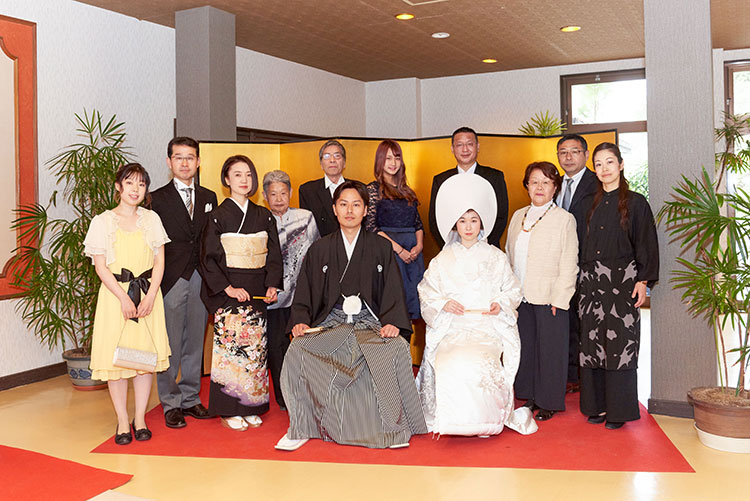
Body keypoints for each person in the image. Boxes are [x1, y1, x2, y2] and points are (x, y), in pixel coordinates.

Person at [275, 180, 427, 450]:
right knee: (298, 349)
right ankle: (303, 425)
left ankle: (389, 427)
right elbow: (306, 292)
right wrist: (300, 319)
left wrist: (392, 322)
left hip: (370, 322)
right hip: (331, 323)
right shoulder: (320, 249)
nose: (349, 211)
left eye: (356, 205)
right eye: (343, 204)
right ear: (334, 209)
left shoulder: (381, 247)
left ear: (365, 210)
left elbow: (393, 289)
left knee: (394, 348)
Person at [416, 174, 537, 437]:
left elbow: (513, 288)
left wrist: (500, 304)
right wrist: (444, 304)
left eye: (473, 220)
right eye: (462, 221)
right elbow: (426, 291)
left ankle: (487, 420)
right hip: (454, 328)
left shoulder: (496, 256)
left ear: (481, 223)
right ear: (455, 225)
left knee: (478, 360)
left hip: (486, 327)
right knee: (451, 359)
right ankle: (451, 420)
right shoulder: (443, 258)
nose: (468, 226)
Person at [84, 163, 171, 445]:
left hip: (147, 296)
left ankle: (141, 418)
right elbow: (100, 267)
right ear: (118, 187)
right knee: (116, 363)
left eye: (141, 184)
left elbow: (159, 262)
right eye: (130, 183)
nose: (135, 189)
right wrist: (123, 297)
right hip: (115, 298)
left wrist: (150, 296)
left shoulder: (152, 219)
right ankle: (122, 420)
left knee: (143, 361)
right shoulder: (102, 221)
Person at [578, 142, 658, 430]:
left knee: (620, 344)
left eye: (609, 162)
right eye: (598, 164)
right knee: (591, 345)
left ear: (621, 165)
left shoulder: (636, 203)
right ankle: (595, 406)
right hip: (590, 284)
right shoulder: (589, 203)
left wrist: (643, 281)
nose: (604, 169)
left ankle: (618, 411)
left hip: (622, 282)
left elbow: (646, 243)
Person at [200, 155, 283, 431]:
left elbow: (273, 253)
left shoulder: (264, 215)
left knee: (255, 353)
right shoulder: (216, 217)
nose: (244, 180)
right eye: (237, 175)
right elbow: (209, 258)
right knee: (231, 352)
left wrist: (272, 284)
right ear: (226, 180)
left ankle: (251, 406)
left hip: (257, 289)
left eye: (248, 175)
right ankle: (228, 410)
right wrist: (228, 288)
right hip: (229, 290)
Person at [151, 137, 218, 429]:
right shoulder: (156, 198)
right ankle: (170, 402)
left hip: (200, 278)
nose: (185, 163)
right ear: (169, 162)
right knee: (170, 344)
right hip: (171, 278)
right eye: (179, 157)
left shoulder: (209, 196)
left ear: (198, 161)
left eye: (190, 157)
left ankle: (191, 398)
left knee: (195, 342)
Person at [506, 162, 578, 422]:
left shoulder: (564, 219)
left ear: (555, 188)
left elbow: (570, 263)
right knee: (527, 348)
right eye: (534, 181)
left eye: (546, 182)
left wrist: (561, 297)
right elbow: (508, 255)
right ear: (526, 185)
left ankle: (549, 400)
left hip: (550, 297)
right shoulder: (518, 216)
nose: (539, 187)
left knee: (550, 350)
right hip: (521, 296)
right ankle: (530, 394)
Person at [261, 169, 320, 410]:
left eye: (283, 193)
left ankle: (308, 391)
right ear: (264, 196)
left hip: (302, 294)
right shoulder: (260, 219)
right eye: (272, 193)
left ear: (291, 193)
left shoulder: (305, 217)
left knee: (306, 343)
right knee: (277, 346)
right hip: (273, 296)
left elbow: (316, 251)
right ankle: (283, 394)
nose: (278, 198)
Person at [556, 134, 598, 392]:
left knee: (587, 321)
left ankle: (587, 376)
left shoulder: (598, 182)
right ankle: (571, 373)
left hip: (590, 264)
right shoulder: (555, 184)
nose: (568, 157)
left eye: (574, 151)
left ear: (585, 154)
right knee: (567, 318)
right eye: (563, 152)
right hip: (561, 265)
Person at [365, 139, 424, 324]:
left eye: (397, 157)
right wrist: (399, 250)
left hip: (413, 256)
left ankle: (407, 351)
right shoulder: (373, 190)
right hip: (388, 254)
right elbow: (371, 227)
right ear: (379, 161)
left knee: (412, 308)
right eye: (388, 158)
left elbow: (418, 224)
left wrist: (419, 246)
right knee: (391, 308)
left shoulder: (408, 191)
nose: (392, 162)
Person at [428, 127, 508, 249]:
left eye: (470, 144)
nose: (465, 149)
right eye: (459, 145)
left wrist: (484, 246)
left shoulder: (494, 177)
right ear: (452, 149)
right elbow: (435, 219)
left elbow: (501, 215)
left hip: (487, 248)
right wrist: (450, 246)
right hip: (452, 250)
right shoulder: (441, 180)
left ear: (478, 147)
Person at [299, 139, 349, 237]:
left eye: (337, 156)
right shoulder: (308, 191)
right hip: (322, 247)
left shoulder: (358, 188)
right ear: (321, 164)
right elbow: (307, 229)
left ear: (344, 163)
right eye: (327, 156)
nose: (332, 160)